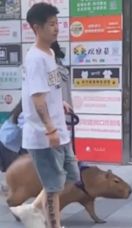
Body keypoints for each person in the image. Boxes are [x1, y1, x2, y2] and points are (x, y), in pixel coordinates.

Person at [10, 3, 79, 228]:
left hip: (59, 130)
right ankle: (53, 225)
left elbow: (49, 90)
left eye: (57, 23)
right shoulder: (35, 58)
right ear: (36, 28)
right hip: (44, 134)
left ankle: (31, 210)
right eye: (51, 24)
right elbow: (37, 99)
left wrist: (61, 103)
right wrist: (50, 129)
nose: (56, 28)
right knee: (53, 186)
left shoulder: (49, 53)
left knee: (71, 176)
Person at [0, 101, 26, 174]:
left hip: (8, 143)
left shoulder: (19, 110)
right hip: (8, 145)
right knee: (14, 171)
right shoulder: (23, 113)